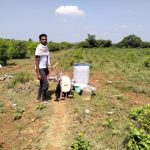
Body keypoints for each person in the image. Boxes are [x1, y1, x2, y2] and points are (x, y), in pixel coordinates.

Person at [35, 34, 51, 101]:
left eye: (45, 39)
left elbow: (47, 57)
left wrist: (48, 67)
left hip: (45, 68)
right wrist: (38, 73)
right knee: (46, 84)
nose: (44, 40)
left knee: (42, 84)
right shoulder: (39, 48)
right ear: (40, 40)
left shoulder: (46, 48)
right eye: (43, 39)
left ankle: (38, 97)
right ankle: (43, 98)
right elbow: (37, 62)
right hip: (40, 68)